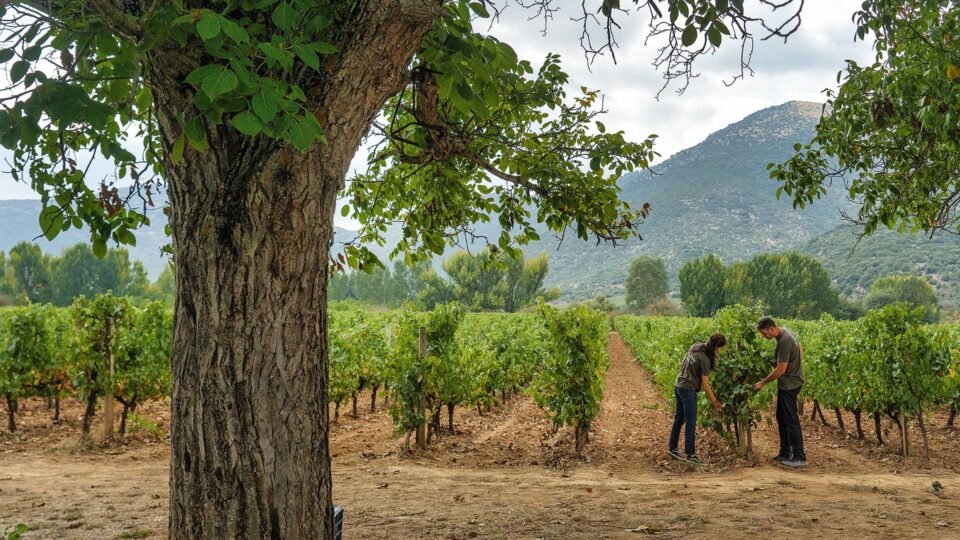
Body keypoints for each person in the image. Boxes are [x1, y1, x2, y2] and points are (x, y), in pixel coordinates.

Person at [753, 316, 807, 468]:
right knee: (782, 417)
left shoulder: (784, 341)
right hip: (789, 382)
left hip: (790, 385)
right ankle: (785, 452)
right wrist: (796, 366)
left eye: (765, 334)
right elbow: (800, 349)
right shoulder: (785, 334)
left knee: (791, 420)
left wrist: (763, 382)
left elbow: (781, 369)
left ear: (771, 329)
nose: (764, 337)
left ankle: (799, 457)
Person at [668, 333, 726, 464]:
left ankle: (672, 448)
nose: (720, 351)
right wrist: (716, 403)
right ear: (715, 346)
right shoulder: (705, 359)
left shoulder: (696, 346)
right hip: (688, 389)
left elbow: (682, 363)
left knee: (679, 418)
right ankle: (691, 454)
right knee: (691, 421)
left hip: (678, 385)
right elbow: (706, 385)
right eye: (720, 348)